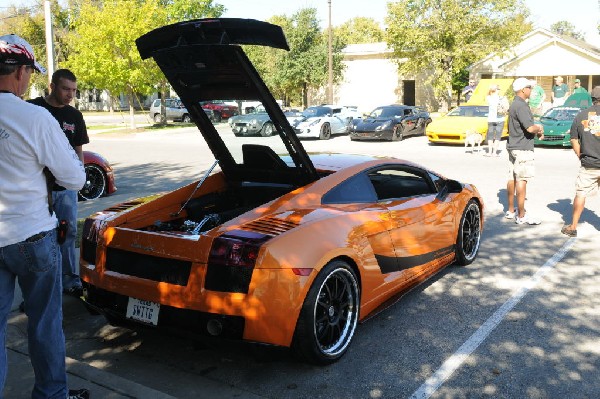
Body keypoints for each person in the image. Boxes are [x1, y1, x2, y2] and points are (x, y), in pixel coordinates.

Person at [0, 34, 89, 399]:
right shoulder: (34, 117)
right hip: (32, 236)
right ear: (20, 72)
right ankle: (51, 395)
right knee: (45, 323)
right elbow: (74, 176)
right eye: (29, 74)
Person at [28, 69, 89, 297]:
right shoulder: (33, 108)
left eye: (73, 90)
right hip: (37, 189)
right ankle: (38, 290)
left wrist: (79, 179)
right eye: (65, 89)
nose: (70, 94)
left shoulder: (75, 116)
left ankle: (69, 280)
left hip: (65, 189)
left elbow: (78, 150)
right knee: (38, 238)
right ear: (52, 86)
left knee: (68, 232)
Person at [560, 86, 600, 237]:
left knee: (581, 194)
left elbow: (573, 138)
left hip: (588, 163)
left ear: (592, 98)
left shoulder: (581, 115)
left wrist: (580, 155)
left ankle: (573, 226)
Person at [505, 77, 545, 225]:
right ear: (523, 89)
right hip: (522, 147)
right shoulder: (521, 106)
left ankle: (510, 210)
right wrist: (540, 128)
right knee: (522, 179)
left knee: (512, 178)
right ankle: (521, 216)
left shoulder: (514, 104)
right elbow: (529, 128)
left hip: (513, 145)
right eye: (529, 87)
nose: (531, 90)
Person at [485, 84, 505, 156]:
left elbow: (487, 94)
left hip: (491, 119)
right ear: (496, 90)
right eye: (498, 89)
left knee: (490, 136)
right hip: (500, 119)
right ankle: (495, 152)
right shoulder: (502, 98)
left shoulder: (488, 98)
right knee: (498, 136)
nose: (499, 90)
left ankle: (489, 152)